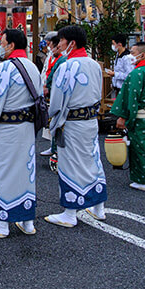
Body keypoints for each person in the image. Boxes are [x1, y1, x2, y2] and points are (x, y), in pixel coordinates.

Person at [0, 29, 41, 238]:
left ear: (11, 45)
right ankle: (27, 221)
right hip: (27, 127)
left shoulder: (4, 68)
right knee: (26, 172)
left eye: (3, 42)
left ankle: (2, 223)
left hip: (7, 127)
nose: (0, 46)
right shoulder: (33, 67)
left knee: (4, 170)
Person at [45, 25, 107, 227]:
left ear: (71, 42)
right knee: (92, 160)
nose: (59, 45)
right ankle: (99, 207)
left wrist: (51, 116)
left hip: (71, 122)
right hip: (90, 120)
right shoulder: (95, 64)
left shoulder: (66, 66)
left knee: (70, 165)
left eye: (61, 41)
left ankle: (70, 212)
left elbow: (56, 101)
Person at [111, 42, 145, 192]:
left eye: (133, 52)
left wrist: (125, 117)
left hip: (142, 117)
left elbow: (131, 98)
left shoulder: (136, 73)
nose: (130, 55)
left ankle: (144, 181)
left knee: (140, 148)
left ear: (141, 55)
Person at [40, 34, 66, 157]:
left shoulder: (62, 59)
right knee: (53, 122)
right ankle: (53, 147)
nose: (50, 48)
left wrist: (47, 86)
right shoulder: (53, 57)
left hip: (55, 91)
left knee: (56, 120)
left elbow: (52, 75)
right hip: (49, 88)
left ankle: (56, 149)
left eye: (52, 46)